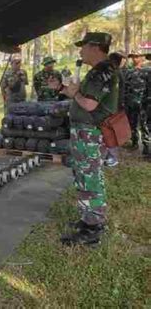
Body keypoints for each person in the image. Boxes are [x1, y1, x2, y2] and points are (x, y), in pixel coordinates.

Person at [55, 32, 118, 246]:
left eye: (83, 47)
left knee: (90, 177)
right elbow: (86, 99)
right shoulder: (100, 71)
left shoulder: (102, 71)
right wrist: (64, 90)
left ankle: (93, 228)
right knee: (84, 175)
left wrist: (73, 94)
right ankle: (87, 219)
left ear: (95, 47)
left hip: (90, 133)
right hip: (86, 132)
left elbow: (89, 104)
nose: (80, 51)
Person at [104, 52, 127, 167]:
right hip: (113, 107)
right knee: (109, 132)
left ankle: (112, 157)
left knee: (110, 133)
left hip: (112, 108)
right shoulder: (116, 73)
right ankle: (109, 155)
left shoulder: (115, 74)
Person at [123, 52, 149, 155]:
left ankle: (146, 146)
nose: (134, 59)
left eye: (136, 56)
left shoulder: (147, 71)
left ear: (142, 58)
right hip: (131, 102)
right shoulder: (129, 72)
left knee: (144, 124)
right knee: (132, 123)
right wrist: (124, 101)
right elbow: (125, 88)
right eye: (132, 57)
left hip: (144, 102)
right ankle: (134, 142)